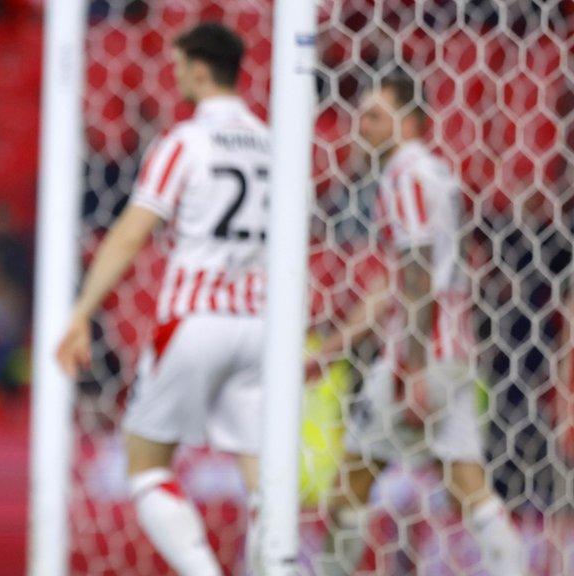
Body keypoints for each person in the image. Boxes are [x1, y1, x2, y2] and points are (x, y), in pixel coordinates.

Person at [57, 22, 269, 576]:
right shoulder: (272, 142)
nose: (173, 78)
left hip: (196, 317)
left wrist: (81, 312)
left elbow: (132, 232)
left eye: (178, 67)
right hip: (259, 324)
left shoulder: (185, 142)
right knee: (260, 476)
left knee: (146, 462)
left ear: (199, 69)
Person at [310, 75, 524, 576]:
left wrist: (409, 366)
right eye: (360, 115)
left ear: (409, 123)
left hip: (421, 354)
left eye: (375, 117)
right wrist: (334, 347)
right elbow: (395, 283)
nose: (361, 127)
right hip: (454, 354)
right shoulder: (438, 175)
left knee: (351, 484)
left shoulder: (404, 174)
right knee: (470, 488)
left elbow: (417, 270)